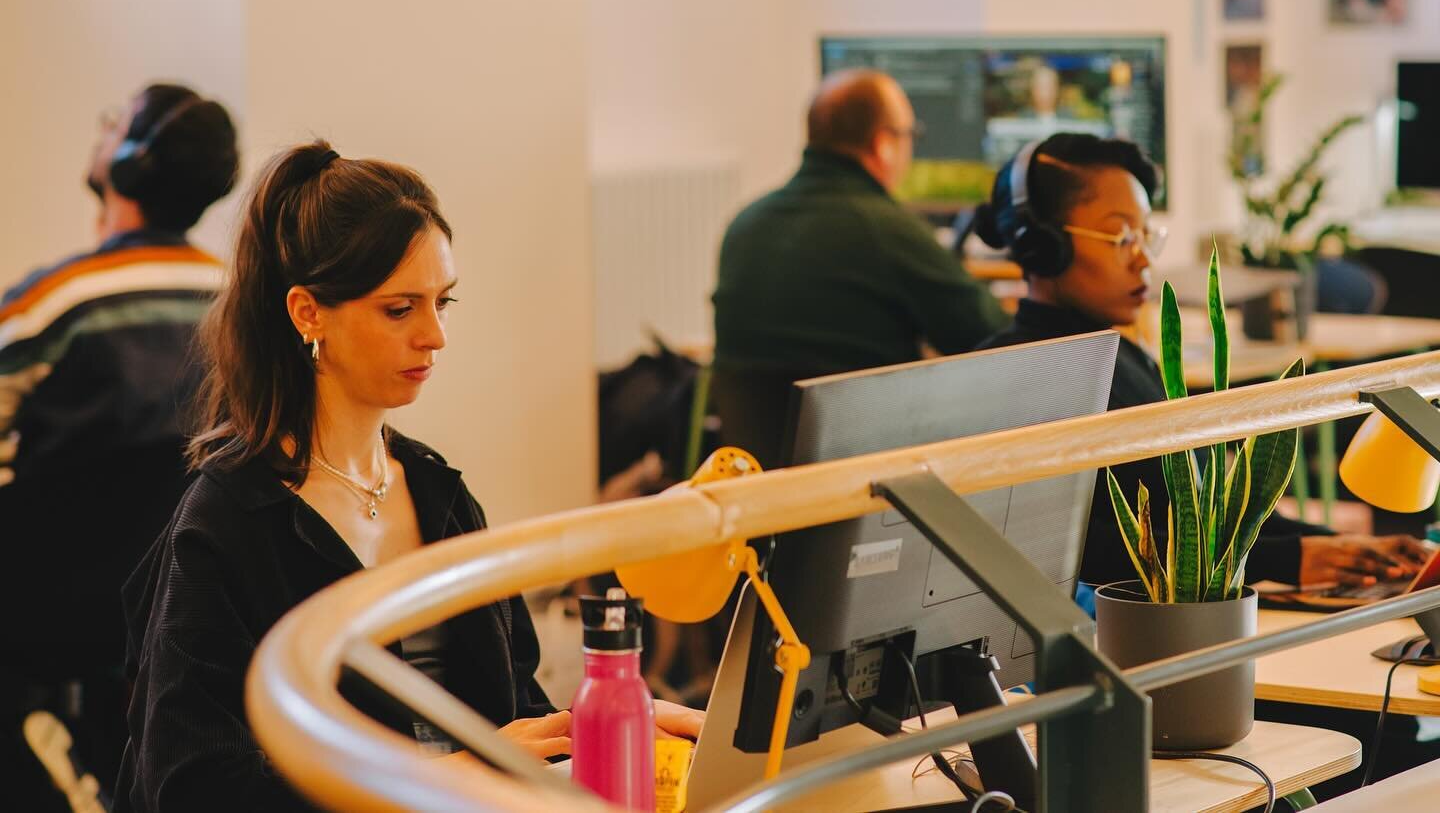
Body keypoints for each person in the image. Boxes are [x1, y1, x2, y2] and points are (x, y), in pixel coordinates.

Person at [114, 142, 701, 812]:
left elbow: (517, 715)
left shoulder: (439, 494)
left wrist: (613, 730)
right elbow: (192, 787)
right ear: (308, 313)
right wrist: (450, 770)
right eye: (401, 309)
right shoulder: (225, 523)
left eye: (442, 302)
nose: (434, 335)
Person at [970, 132, 1429, 594]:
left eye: (1147, 234)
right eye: (1121, 235)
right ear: (1042, 247)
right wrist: (1288, 560)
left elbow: (1210, 508)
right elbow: (1082, 551)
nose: (1143, 258)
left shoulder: (1124, 358)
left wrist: (1344, 546)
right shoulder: (1016, 373)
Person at [0, 84, 239, 809]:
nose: (100, 128)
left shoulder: (54, 304)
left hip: (49, 608)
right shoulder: (238, 305)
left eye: (113, 121)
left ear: (131, 162)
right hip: (194, 608)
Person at [711, 69, 1008, 467]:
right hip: (867, 481)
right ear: (884, 144)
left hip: (758, 487)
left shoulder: (744, 225)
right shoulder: (885, 229)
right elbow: (992, 340)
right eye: (910, 136)